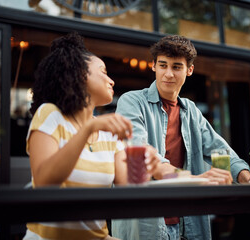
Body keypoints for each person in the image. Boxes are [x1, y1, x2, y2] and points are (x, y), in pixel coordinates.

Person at [112, 35, 250, 240]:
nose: (168, 74)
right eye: (163, 65)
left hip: (188, 222)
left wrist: (247, 178)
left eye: (176, 67)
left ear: (189, 70)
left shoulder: (191, 111)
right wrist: (196, 180)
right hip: (145, 222)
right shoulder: (131, 102)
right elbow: (145, 160)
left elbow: (219, 150)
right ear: (153, 66)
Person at [23, 32, 160, 240]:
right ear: (79, 74)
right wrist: (89, 128)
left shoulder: (108, 134)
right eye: (103, 72)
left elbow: (129, 192)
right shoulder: (51, 115)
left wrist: (144, 162)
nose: (111, 80)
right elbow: (44, 182)